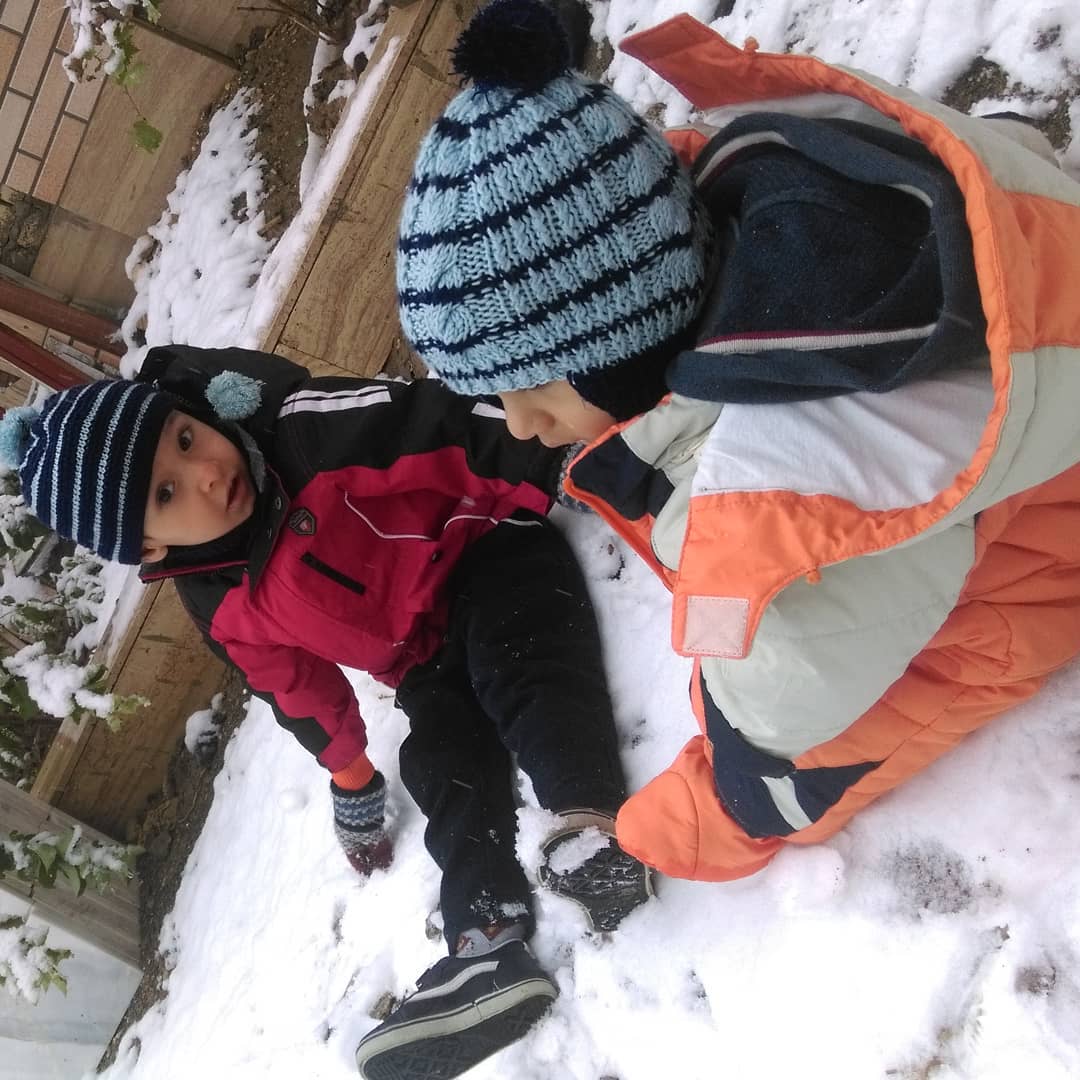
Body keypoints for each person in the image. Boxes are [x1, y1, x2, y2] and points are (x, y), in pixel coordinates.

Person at [397, 0, 1080, 883]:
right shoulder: (785, 186)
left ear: (627, 335)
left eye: (534, 387)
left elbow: (782, 691)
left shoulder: (775, 487)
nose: (522, 425)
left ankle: (718, 822)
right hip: (1033, 295)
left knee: (790, 764)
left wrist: (735, 781)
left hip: (1051, 526)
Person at [0, 342, 652, 1079]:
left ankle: (591, 827)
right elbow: (296, 690)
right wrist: (351, 776)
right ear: (149, 546)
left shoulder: (305, 435)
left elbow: (433, 424)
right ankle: (485, 945)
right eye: (167, 493)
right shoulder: (219, 602)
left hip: (486, 544)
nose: (206, 472)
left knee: (527, 667)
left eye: (183, 438)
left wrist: (563, 465)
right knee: (442, 762)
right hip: (421, 655)